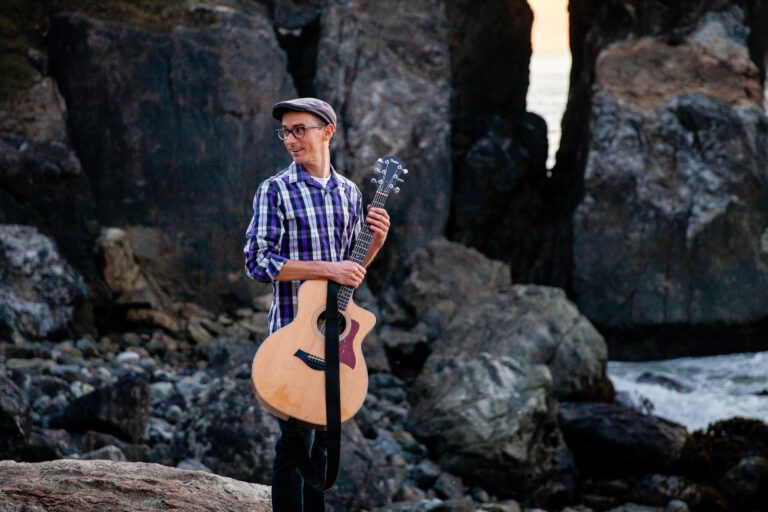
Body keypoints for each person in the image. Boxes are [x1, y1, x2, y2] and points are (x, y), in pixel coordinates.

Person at [243, 97, 390, 511]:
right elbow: (258, 262)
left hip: (336, 343)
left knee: (323, 445)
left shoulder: (349, 194)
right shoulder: (275, 191)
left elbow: (352, 271)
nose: (290, 140)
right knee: (293, 445)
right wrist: (329, 268)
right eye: (285, 132)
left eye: (299, 129)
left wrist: (374, 242)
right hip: (291, 337)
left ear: (327, 131)